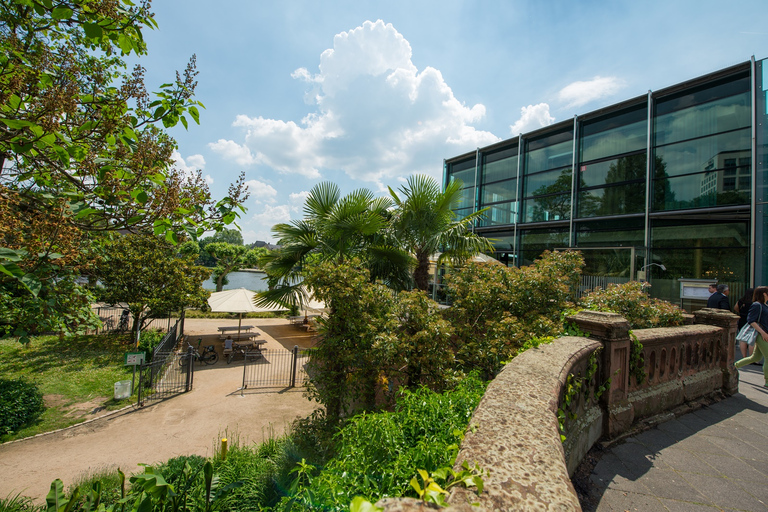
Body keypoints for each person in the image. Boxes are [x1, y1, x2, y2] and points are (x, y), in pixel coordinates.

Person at [734, 286, 768, 387]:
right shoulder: (757, 305)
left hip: (763, 333)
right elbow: (751, 320)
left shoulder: (763, 305)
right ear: (764, 294)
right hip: (761, 334)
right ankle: (767, 382)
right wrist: (762, 332)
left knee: (755, 357)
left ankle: (734, 366)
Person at [734, 288, 755, 359]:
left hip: (742, 319)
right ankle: (751, 357)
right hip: (752, 321)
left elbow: (735, 308)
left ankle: (744, 356)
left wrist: (741, 312)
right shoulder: (754, 302)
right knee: (752, 339)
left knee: (743, 338)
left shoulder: (741, 301)